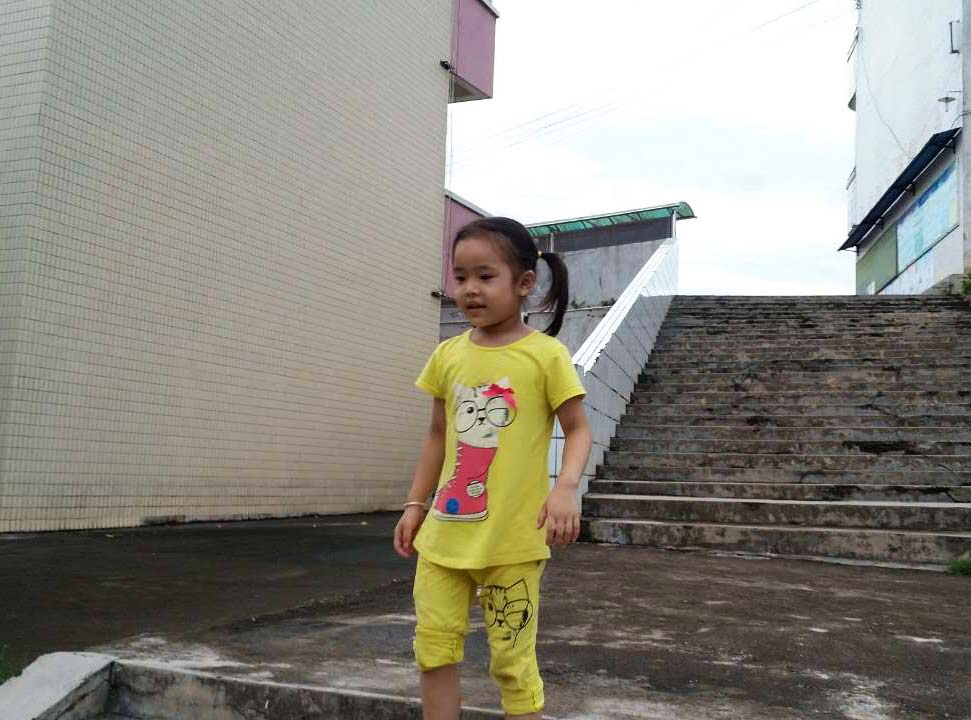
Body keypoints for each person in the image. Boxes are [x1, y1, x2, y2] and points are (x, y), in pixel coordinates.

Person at [393, 217, 593, 719]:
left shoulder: (546, 356)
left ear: (524, 283)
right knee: (434, 650)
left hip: (513, 542)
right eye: (460, 277)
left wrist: (565, 488)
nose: (470, 289)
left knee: (512, 664)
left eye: (485, 276)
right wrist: (415, 503)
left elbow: (578, 430)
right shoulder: (447, 356)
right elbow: (437, 435)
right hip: (444, 539)